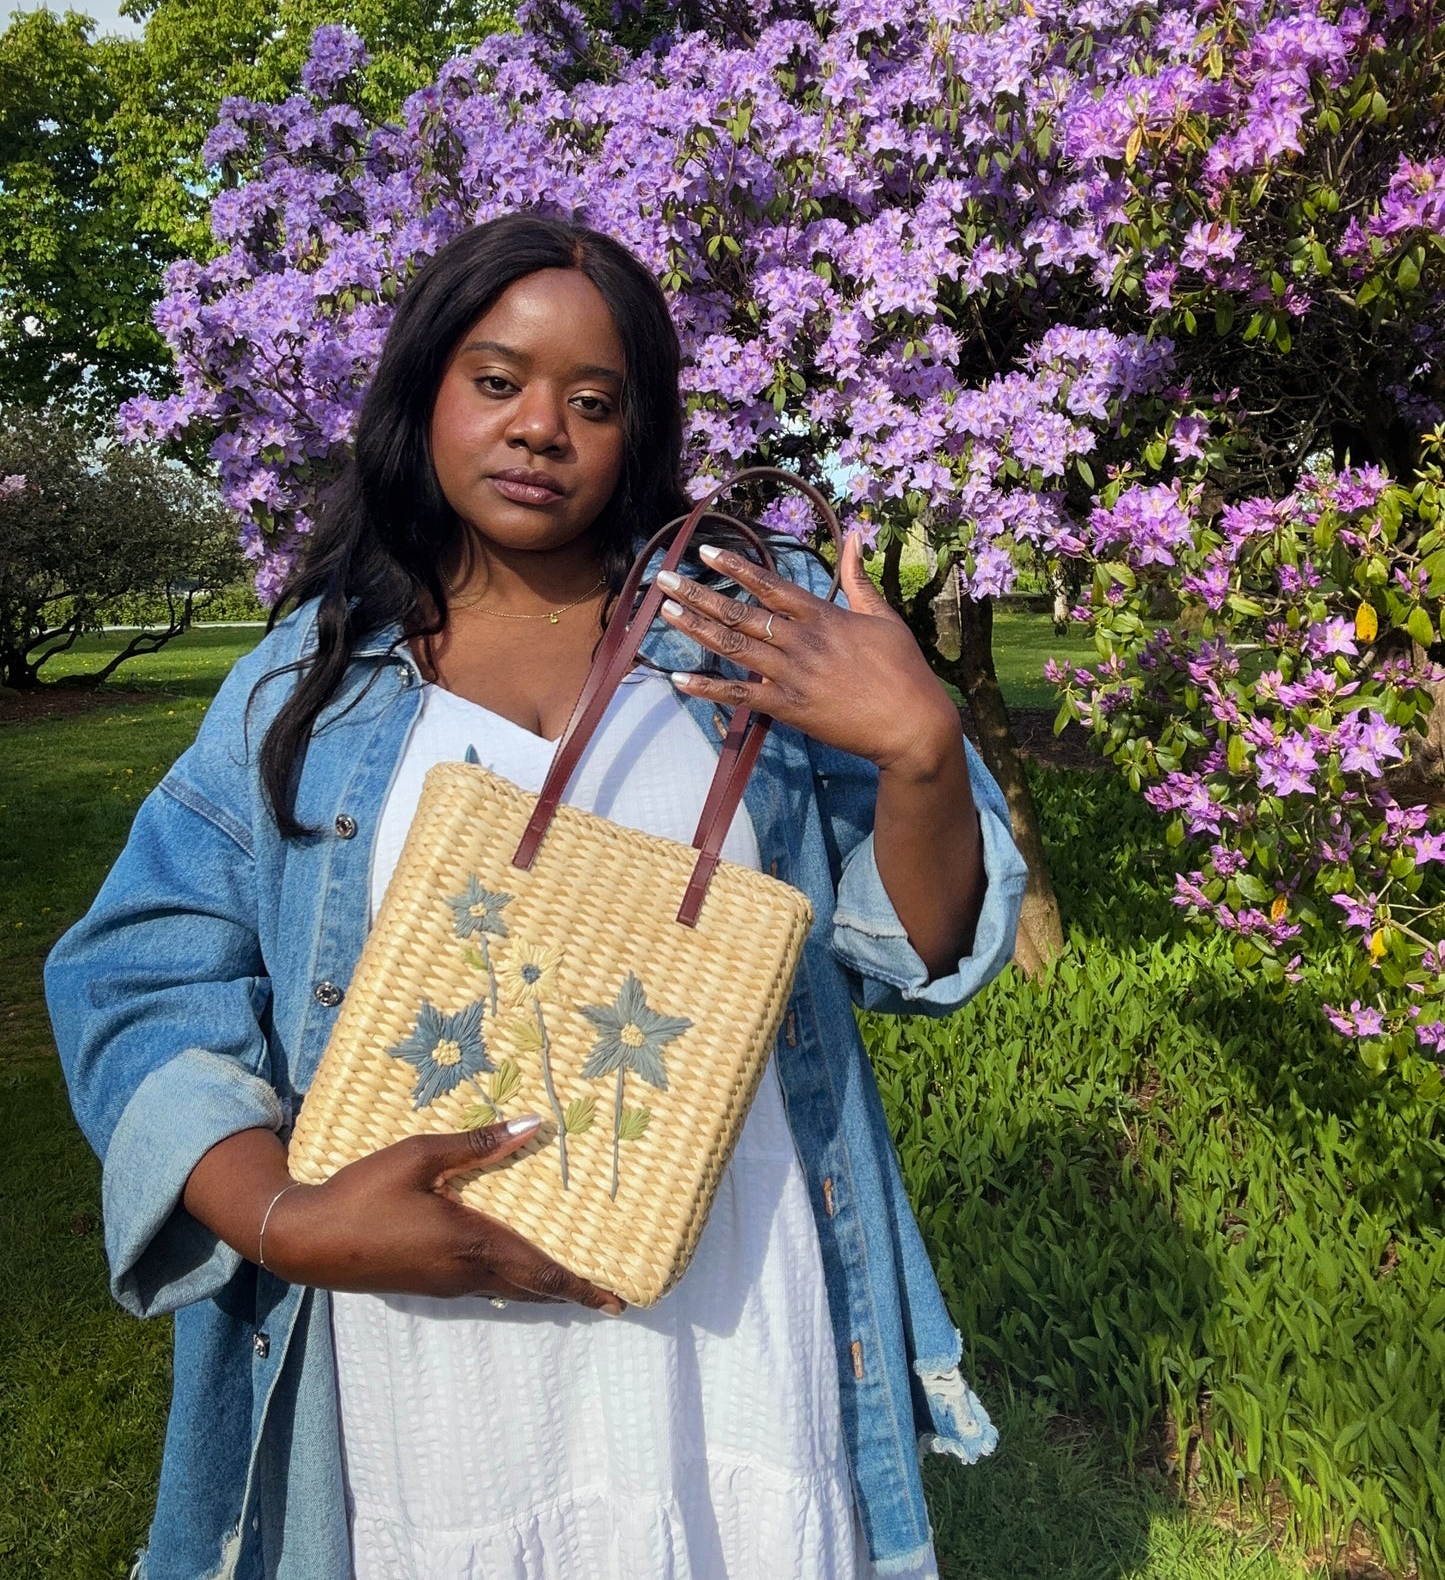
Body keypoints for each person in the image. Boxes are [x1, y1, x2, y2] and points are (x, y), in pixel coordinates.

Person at [47, 213, 1027, 1580]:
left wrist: (920, 749)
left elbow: (913, 949)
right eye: (496, 380)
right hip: (416, 1330)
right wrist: (281, 1217)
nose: (538, 430)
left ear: (640, 431)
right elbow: (138, 971)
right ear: (424, 393)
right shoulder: (307, 683)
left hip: (725, 1294)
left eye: (593, 400)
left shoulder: (747, 627)